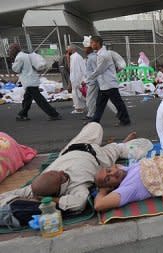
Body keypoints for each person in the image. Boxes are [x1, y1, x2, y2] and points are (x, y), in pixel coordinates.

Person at [0, 123, 142, 213]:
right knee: (119, 149)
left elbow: (6, 196)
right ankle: (122, 145)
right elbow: (78, 203)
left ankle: (119, 146)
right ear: (57, 190)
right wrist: (49, 200)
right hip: (99, 156)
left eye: (57, 172)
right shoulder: (75, 188)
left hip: (73, 147)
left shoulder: (41, 181)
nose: (62, 172)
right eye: (62, 177)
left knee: (95, 126)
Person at [86, 36, 131, 126]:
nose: (91, 45)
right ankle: (95, 120)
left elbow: (100, 70)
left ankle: (125, 120)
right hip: (104, 84)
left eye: (92, 43)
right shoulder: (100, 54)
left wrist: (88, 78)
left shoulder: (104, 55)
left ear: (98, 43)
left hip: (109, 84)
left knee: (118, 103)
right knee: (100, 104)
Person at [9, 43, 62, 121]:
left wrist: (13, 64)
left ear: (14, 50)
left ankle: (54, 114)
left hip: (28, 81)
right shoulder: (25, 55)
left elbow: (16, 69)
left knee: (39, 100)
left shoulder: (19, 57)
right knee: (27, 99)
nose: (10, 51)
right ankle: (22, 114)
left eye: (10, 50)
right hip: (32, 80)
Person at [82, 36, 117, 120]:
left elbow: (97, 70)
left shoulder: (92, 58)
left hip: (94, 81)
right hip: (96, 81)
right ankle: (117, 111)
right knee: (105, 100)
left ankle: (91, 114)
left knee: (90, 98)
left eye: (85, 48)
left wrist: (87, 79)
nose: (84, 50)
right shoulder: (93, 56)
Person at [69, 45, 87, 114]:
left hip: (77, 78)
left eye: (69, 49)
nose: (68, 50)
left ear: (72, 49)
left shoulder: (77, 57)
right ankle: (79, 108)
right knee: (77, 94)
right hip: (75, 78)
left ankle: (79, 108)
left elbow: (83, 68)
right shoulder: (73, 57)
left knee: (78, 94)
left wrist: (84, 79)